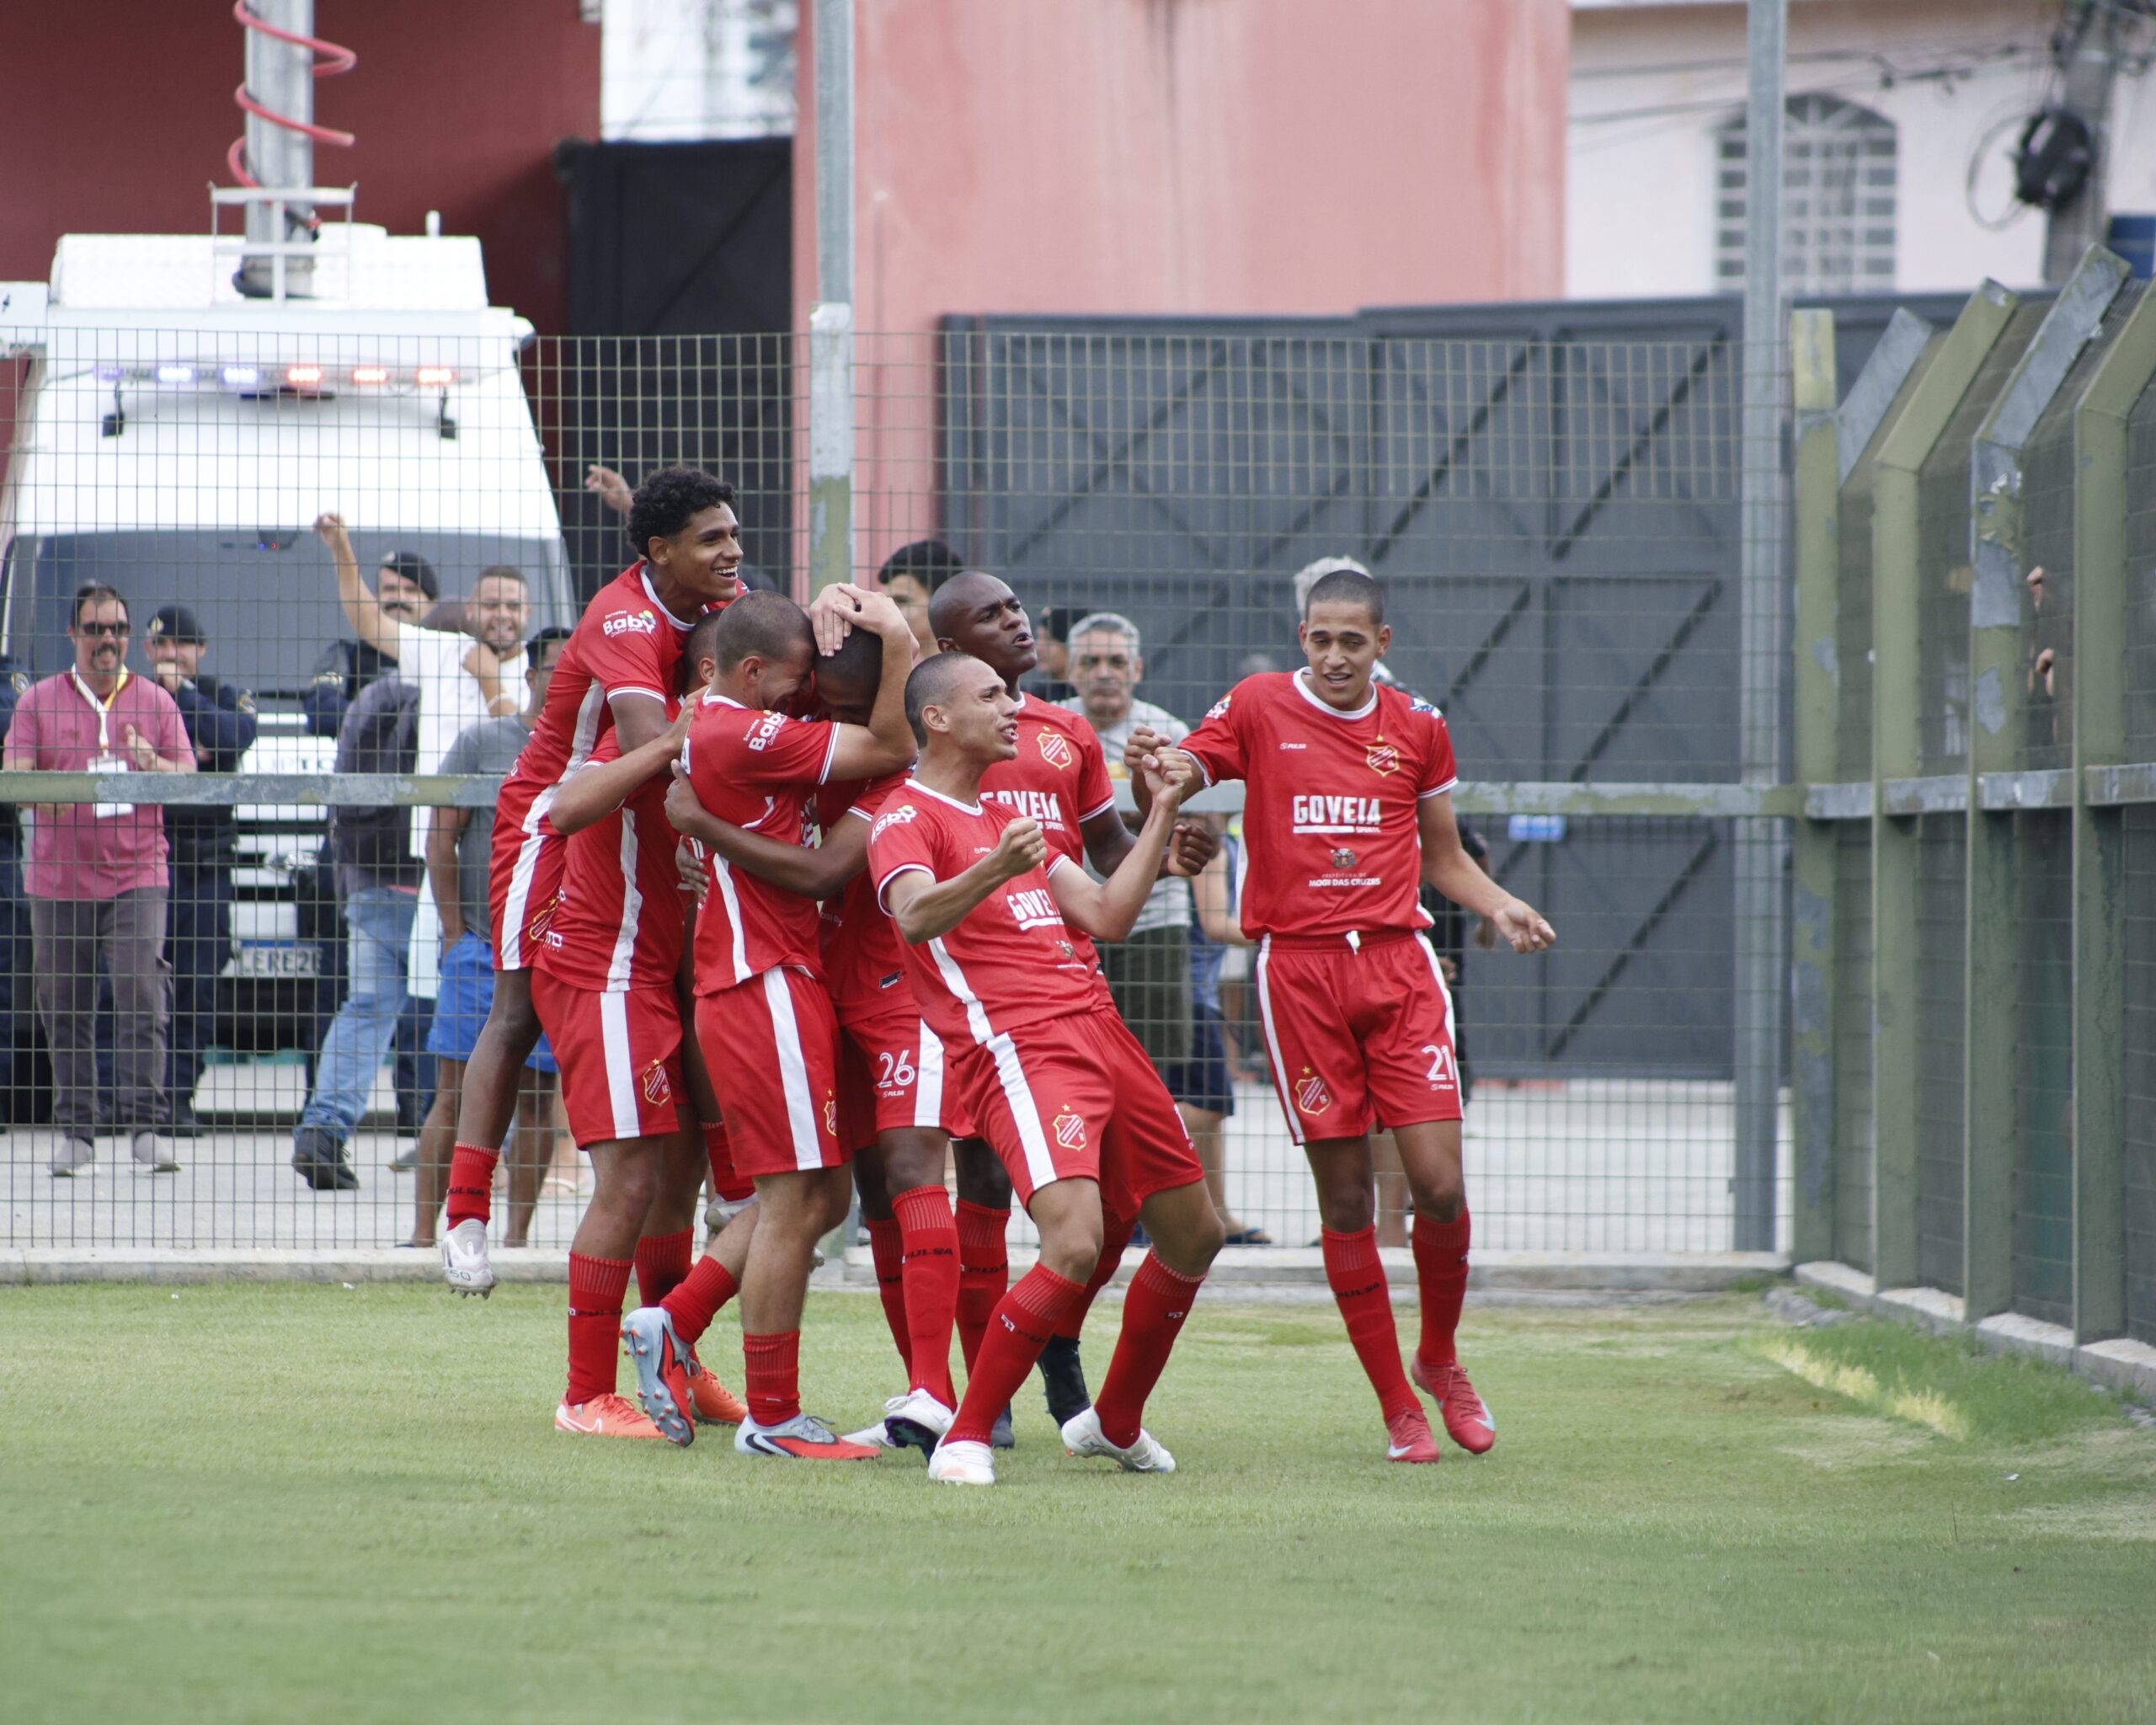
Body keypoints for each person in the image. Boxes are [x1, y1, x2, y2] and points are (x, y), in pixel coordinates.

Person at [1130, 566, 1556, 1464]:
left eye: (1351, 641)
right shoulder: (1256, 705)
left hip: (1399, 969)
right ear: (1302, 638)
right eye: (1319, 639)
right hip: (1300, 975)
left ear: (1381, 644)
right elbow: (1180, 780)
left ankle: (1439, 1358)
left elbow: (1443, 855)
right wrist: (1157, 770)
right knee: (1348, 1196)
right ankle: (1398, 1406)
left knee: (1439, 1185)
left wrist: (1500, 903)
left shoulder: (1418, 725)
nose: (1333, 656)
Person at [869, 650, 1225, 1487]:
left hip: (1100, 1028)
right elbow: (913, 915)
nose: (1011, 708)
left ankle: (1115, 1421)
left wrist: (1162, 812)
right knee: (1073, 1242)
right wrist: (995, 867)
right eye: (991, 695)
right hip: (1019, 1046)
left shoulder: (1005, 813)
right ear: (937, 718)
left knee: (1195, 1233)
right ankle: (965, 1434)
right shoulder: (903, 817)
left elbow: (1107, 912)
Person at [653, 621, 976, 1454]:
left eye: (837, 700)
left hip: (852, 985)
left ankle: (677, 1320)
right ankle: (774, 1413)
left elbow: (826, 860)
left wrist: (702, 827)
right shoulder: (768, 731)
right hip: (778, 982)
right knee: (807, 1199)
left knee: (834, 1193)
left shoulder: (885, 764)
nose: (811, 708)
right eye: (811, 694)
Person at [438, 467, 744, 1299]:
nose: (733, 551)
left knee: (692, 989)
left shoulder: (724, 600)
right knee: (516, 1009)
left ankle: (727, 1188)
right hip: (556, 814)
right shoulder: (622, 616)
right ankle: (466, 1213)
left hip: (643, 812)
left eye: (733, 533)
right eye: (713, 538)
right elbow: (657, 740)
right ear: (662, 552)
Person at [524, 607, 757, 1441]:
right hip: (605, 974)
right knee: (627, 1182)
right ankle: (584, 1394)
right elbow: (564, 808)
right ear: (717, 674)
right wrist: (665, 747)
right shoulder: (649, 731)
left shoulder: (735, 745)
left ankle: (676, 1365)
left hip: (663, 979)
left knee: (672, 1182)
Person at [4, 583, 192, 1174]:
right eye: (95, 629)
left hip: (137, 872)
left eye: (117, 629)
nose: (107, 640)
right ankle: (77, 1131)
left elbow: (187, 777)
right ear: (73, 634)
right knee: (64, 1004)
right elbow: (14, 775)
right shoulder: (38, 701)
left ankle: (147, 1124)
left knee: (141, 990)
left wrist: (152, 764)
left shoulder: (157, 701)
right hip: (57, 879)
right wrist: (52, 798)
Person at [408, 627, 573, 1251]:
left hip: (552, 954)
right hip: (480, 946)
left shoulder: (594, 748)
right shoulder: (482, 742)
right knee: (453, 1094)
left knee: (537, 1099)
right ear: (531, 677)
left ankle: (516, 1241)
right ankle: (424, 1236)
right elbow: (441, 836)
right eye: (559, 669)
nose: (572, 681)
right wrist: (455, 932)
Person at [290, 672, 422, 1190]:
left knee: (366, 1008)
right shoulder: (464, 690)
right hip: (443, 885)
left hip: (371, 879)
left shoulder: (373, 696)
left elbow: (341, 801)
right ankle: (464, 1139)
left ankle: (322, 1130)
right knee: (471, 1011)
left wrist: (349, 884)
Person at [1059, 612, 1195, 1082]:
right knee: (1073, 1061)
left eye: (1116, 662)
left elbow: (1201, 830)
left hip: (1153, 919)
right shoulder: (1050, 725)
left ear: (1136, 669)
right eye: (1090, 661)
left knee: (1151, 1068)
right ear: (1070, 670)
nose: (1104, 673)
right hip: (1068, 915)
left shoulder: (1167, 730)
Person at [140, 606, 257, 1135]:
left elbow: (235, 736)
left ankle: (178, 1099)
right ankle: (126, 1100)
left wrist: (183, 696)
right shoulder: (132, 697)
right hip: (147, 862)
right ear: (148, 651)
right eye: (162, 646)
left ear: (201, 650)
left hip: (207, 866)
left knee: (198, 985)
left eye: (182, 645)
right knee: (135, 982)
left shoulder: (223, 695)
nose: (172, 655)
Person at [1177, 816, 1267, 1242]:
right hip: (1189, 993)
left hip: (1197, 992)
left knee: (1210, 1109)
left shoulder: (1224, 838)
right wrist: (1288, 932)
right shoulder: (1206, 837)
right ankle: (1163, 1208)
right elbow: (1215, 922)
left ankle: (1217, 1215)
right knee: (1206, 1106)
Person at [877, 538, 962, 657]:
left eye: (901, 601)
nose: (888, 612)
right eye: (886, 603)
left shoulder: (974, 667)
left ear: (944, 603)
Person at [1022, 604, 1077, 703]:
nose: (1038, 648)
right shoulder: (1036, 697)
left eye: (1048, 639)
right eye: (1039, 638)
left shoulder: (1092, 698)